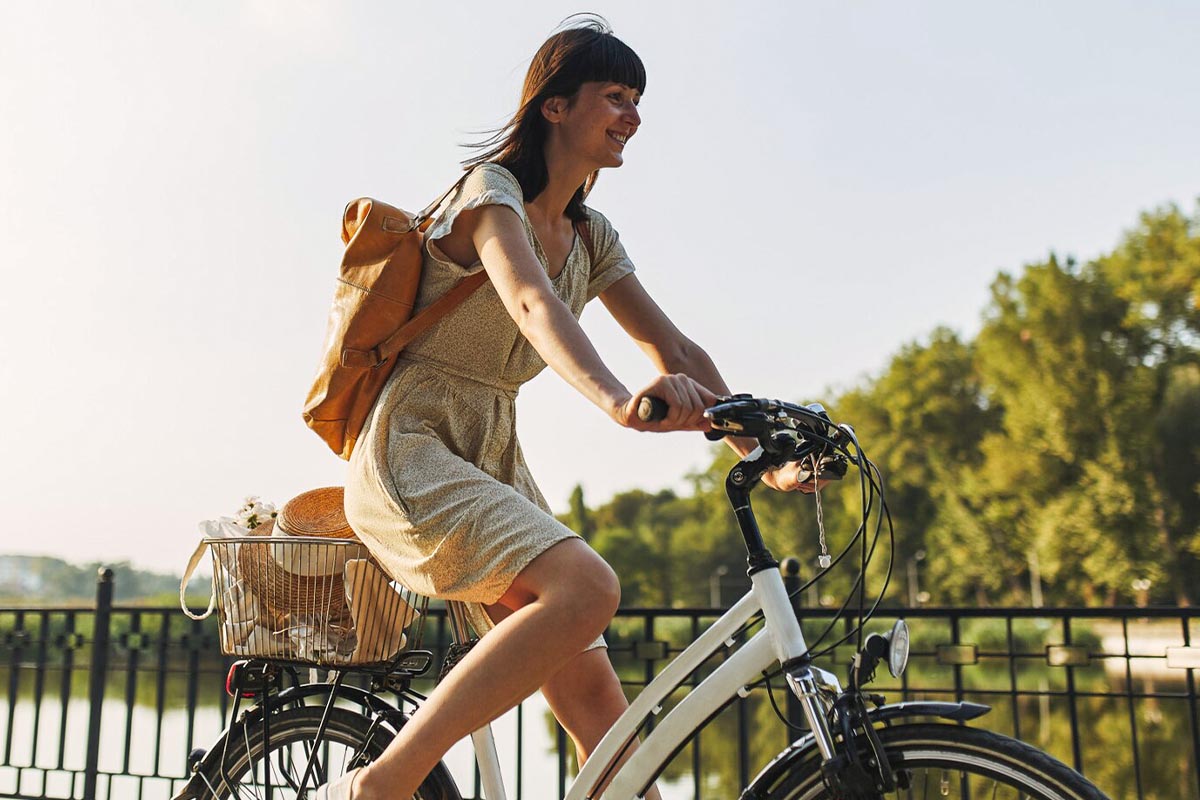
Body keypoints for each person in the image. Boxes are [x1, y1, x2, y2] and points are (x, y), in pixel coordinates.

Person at [333, 16, 816, 800]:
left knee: (594, 697)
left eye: (638, 100)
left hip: (492, 456)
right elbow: (529, 302)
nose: (632, 114)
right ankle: (384, 783)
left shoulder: (591, 238)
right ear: (553, 106)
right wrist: (619, 401)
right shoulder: (488, 196)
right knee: (588, 588)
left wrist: (764, 449)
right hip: (414, 447)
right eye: (615, 96)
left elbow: (679, 352)